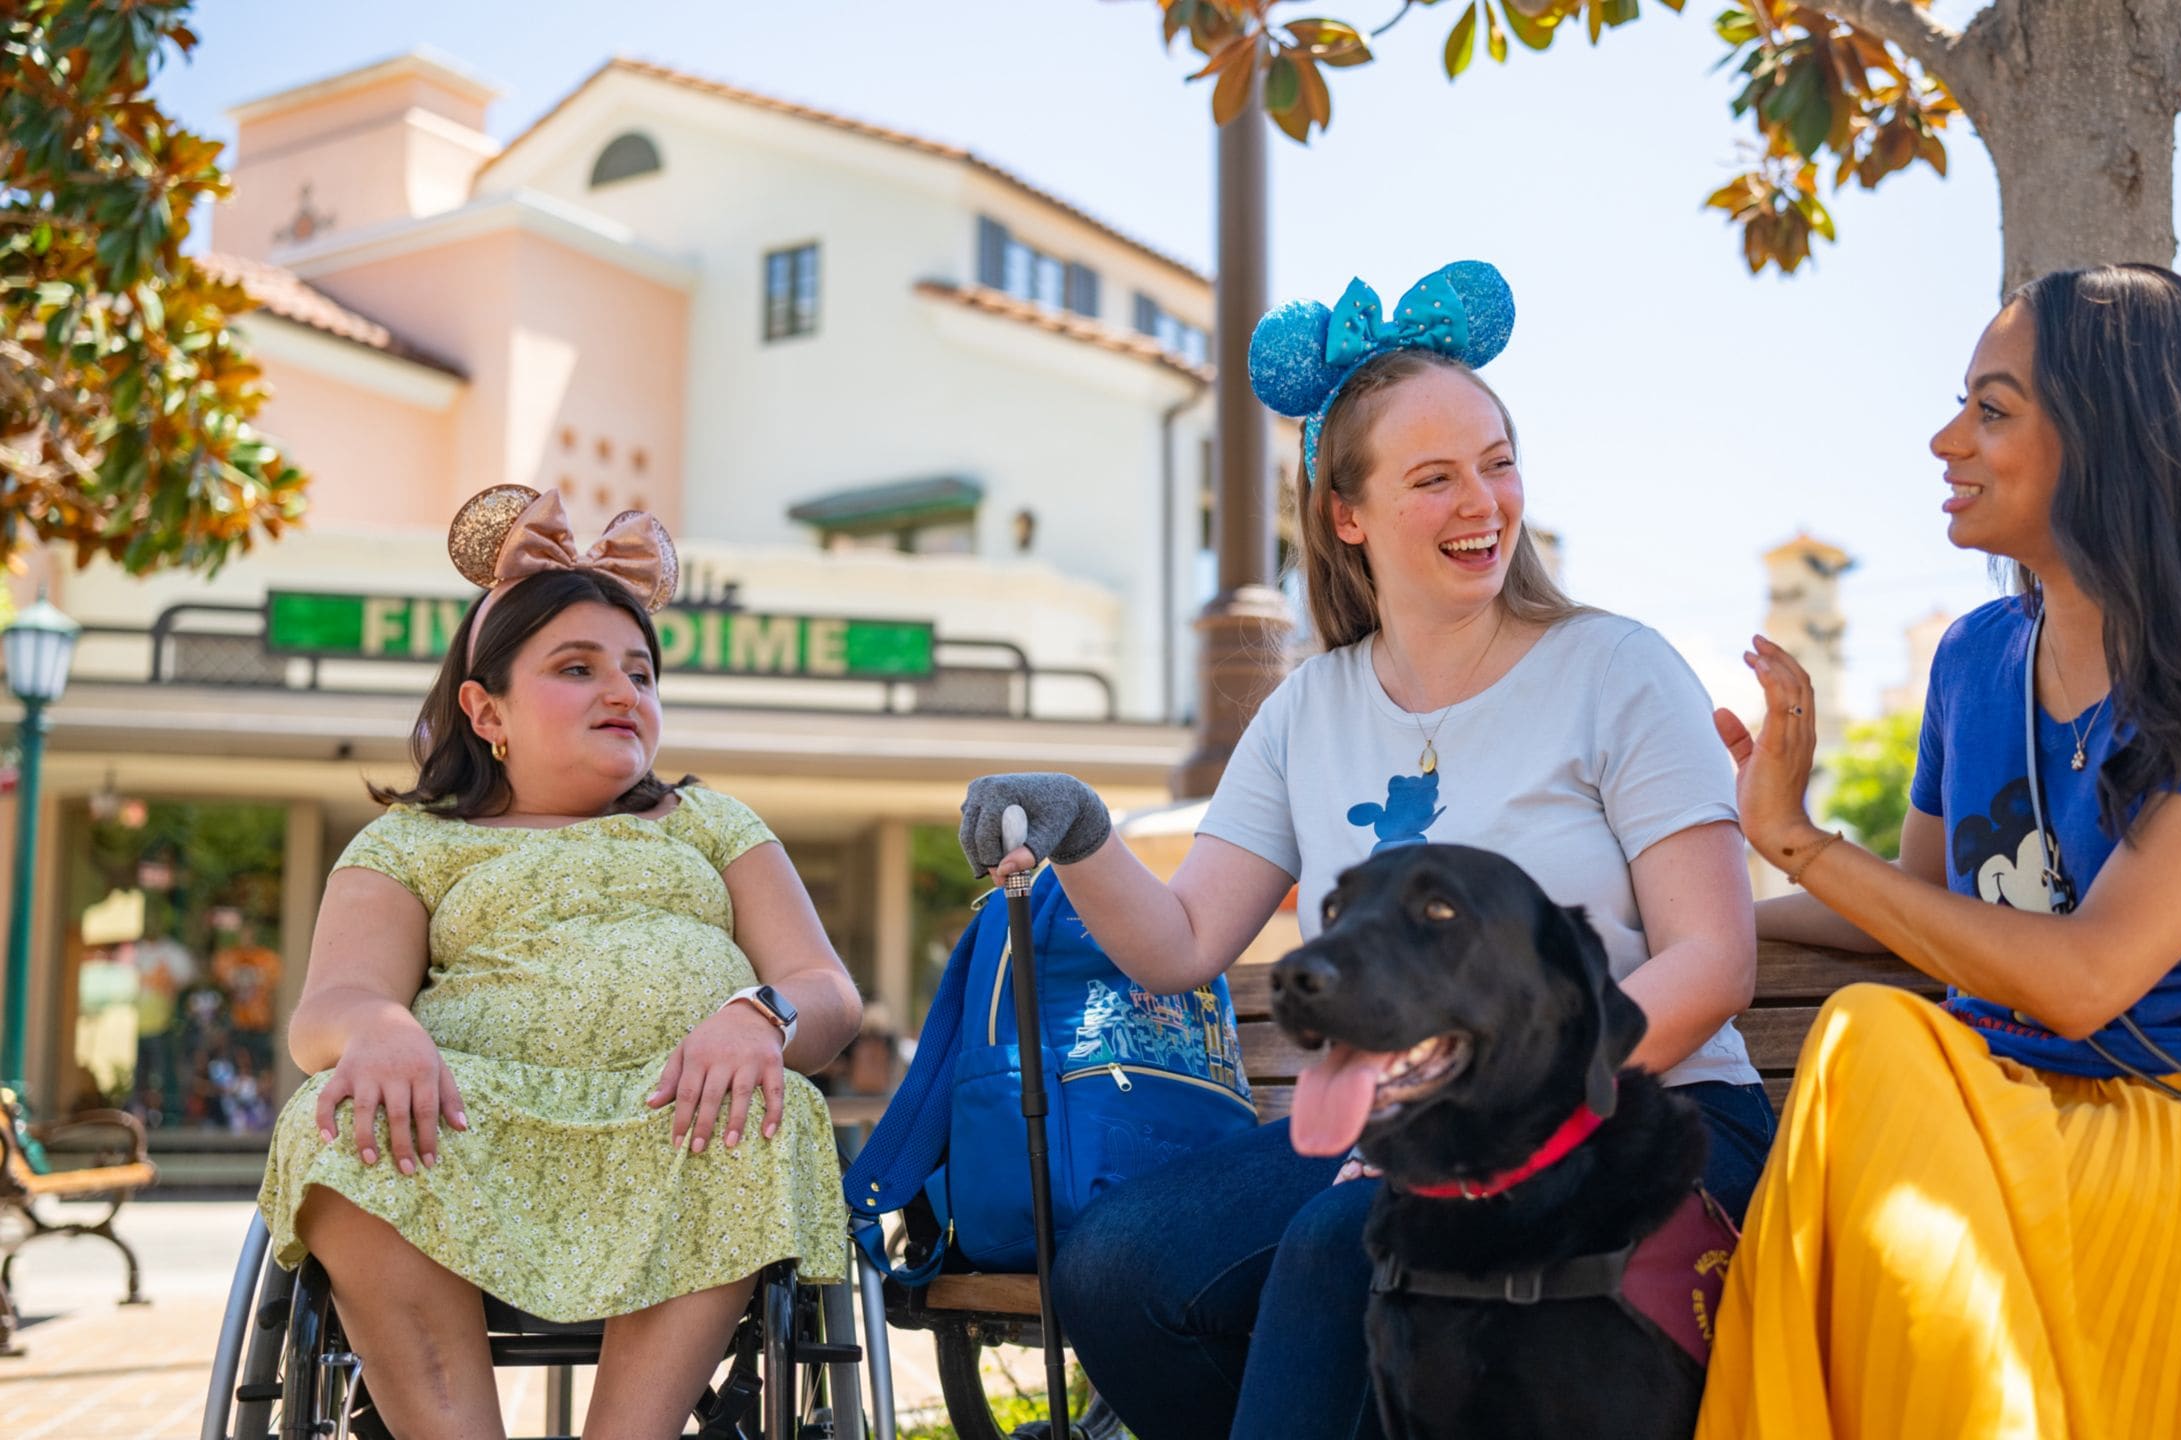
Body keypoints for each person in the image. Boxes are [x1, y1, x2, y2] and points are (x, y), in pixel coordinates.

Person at [960, 261, 1769, 1440]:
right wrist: (1083, 831)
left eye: (1497, 464)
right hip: (1404, 1115)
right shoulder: (1309, 707)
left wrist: (1491, 1119)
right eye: (1434, 478)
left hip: (1644, 1115)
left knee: (1354, 1236)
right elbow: (1181, 945)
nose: (1483, 503)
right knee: (1119, 1270)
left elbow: (1710, 962)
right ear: (1348, 514)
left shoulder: (1617, 668)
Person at [1700, 264, 2181, 1439]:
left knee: (1871, 1038)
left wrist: (1800, 842)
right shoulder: (1976, 659)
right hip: (1988, 1111)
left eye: (1991, 410)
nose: (1944, 441)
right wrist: (1681, 916)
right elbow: (1917, 907)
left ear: (2114, 439)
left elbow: (2085, 981)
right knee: (1878, 1051)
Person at [258, 487, 859, 1440]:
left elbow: (827, 990)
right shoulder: (413, 842)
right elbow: (333, 1000)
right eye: (577, 669)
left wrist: (761, 1014)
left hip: (678, 1118)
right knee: (336, 1124)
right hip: (465, 1120)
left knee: (772, 1112)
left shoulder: (713, 823)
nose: (624, 693)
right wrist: (378, 1028)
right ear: (484, 708)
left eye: (641, 673)